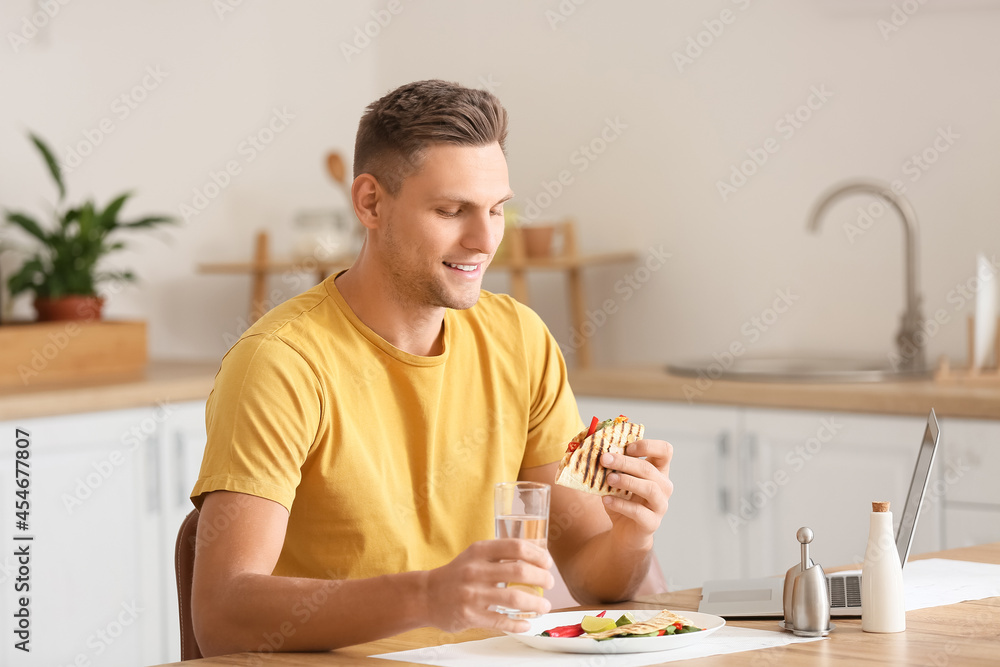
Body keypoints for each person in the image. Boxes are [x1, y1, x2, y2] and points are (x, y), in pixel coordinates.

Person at [190, 79, 674, 656]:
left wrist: (633, 534)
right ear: (370, 202)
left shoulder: (521, 339)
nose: (483, 239)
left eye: (498, 210)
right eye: (451, 211)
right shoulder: (281, 363)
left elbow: (594, 578)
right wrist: (427, 596)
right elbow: (222, 614)